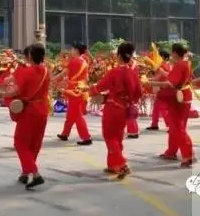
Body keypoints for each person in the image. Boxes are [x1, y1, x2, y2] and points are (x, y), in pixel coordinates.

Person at [0, 44, 50, 189]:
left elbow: (14, 92)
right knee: (34, 144)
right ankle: (25, 173)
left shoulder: (27, 72)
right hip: (42, 108)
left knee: (20, 143)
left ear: (29, 56)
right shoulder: (46, 70)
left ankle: (35, 174)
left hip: (29, 110)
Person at [87, 41, 141, 179]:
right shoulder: (133, 73)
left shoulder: (115, 72)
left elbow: (100, 86)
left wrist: (90, 90)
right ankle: (113, 166)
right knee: (118, 138)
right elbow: (138, 92)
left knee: (109, 137)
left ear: (119, 56)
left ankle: (122, 164)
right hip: (124, 109)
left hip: (112, 108)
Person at [147, 43, 195, 167]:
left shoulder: (179, 65)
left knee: (178, 127)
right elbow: (173, 79)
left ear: (174, 53)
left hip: (178, 98)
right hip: (184, 95)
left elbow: (171, 84)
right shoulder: (186, 63)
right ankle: (171, 152)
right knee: (175, 127)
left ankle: (188, 155)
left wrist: (149, 83)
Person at [56, 42, 92, 145]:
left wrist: (52, 79)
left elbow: (63, 74)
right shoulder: (85, 62)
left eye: (72, 49)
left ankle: (86, 137)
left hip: (74, 91)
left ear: (76, 50)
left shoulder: (74, 61)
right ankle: (65, 134)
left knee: (76, 115)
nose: (70, 51)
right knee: (71, 114)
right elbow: (86, 78)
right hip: (81, 90)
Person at [147, 50, 171, 131]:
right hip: (164, 87)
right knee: (156, 107)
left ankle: (170, 125)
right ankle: (154, 124)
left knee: (162, 108)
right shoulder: (167, 65)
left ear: (162, 57)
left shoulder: (162, 66)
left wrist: (147, 80)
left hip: (162, 88)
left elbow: (157, 78)